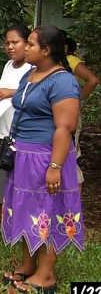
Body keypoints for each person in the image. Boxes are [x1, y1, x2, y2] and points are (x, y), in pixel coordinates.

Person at [1, 25, 83, 293]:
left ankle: (46, 275)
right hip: (23, 155)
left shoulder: (62, 81)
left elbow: (65, 127)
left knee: (47, 211)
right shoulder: (30, 74)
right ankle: (28, 264)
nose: (25, 48)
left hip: (48, 157)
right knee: (26, 208)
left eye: (32, 44)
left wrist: (55, 167)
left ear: (47, 51)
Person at [0, 23, 31, 204]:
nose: (10, 47)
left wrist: (11, 92)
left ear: (27, 43)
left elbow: (34, 92)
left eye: (15, 42)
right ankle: (5, 206)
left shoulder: (32, 68)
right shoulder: (9, 64)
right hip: (4, 128)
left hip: (22, 131)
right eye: (7, 43)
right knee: (5, 170)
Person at [62, 31, 99, 194]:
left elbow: (93, 79)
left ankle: (74, 201)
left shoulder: (71, 61)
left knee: (70, 155)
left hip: (69, 117)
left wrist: (77, 98)